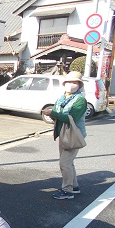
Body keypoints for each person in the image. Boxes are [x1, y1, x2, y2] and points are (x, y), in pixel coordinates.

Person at [41, 71, 86, 200]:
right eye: (69, 82)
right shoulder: (62, 98)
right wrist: (52, 114)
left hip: (74, 135)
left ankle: (67, 190)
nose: (71, 85)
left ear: (79, 85)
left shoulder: (80, 100)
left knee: (64, 163)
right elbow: (57, 113)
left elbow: (71, 117)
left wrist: (53, 114)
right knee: (69, 163)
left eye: (75, 82)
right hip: (63, 134)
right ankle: (74, 186)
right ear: (64, 84)